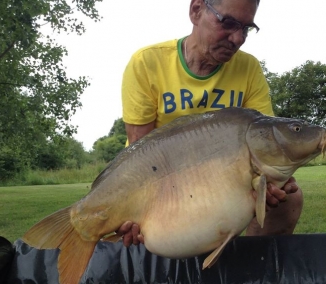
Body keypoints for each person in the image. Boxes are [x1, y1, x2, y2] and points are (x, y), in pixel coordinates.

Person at [117, 0, 302, 247]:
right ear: (196, 11)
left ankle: (254, 269)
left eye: (246, 28)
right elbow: (140, 153)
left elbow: (266, 139)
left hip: (226, 177)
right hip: (161, 182)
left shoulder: (248, 68)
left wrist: (270, 181)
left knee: (289, 198)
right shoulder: (147, 63)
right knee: (128, 226)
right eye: (228, 23)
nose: (237, 39)